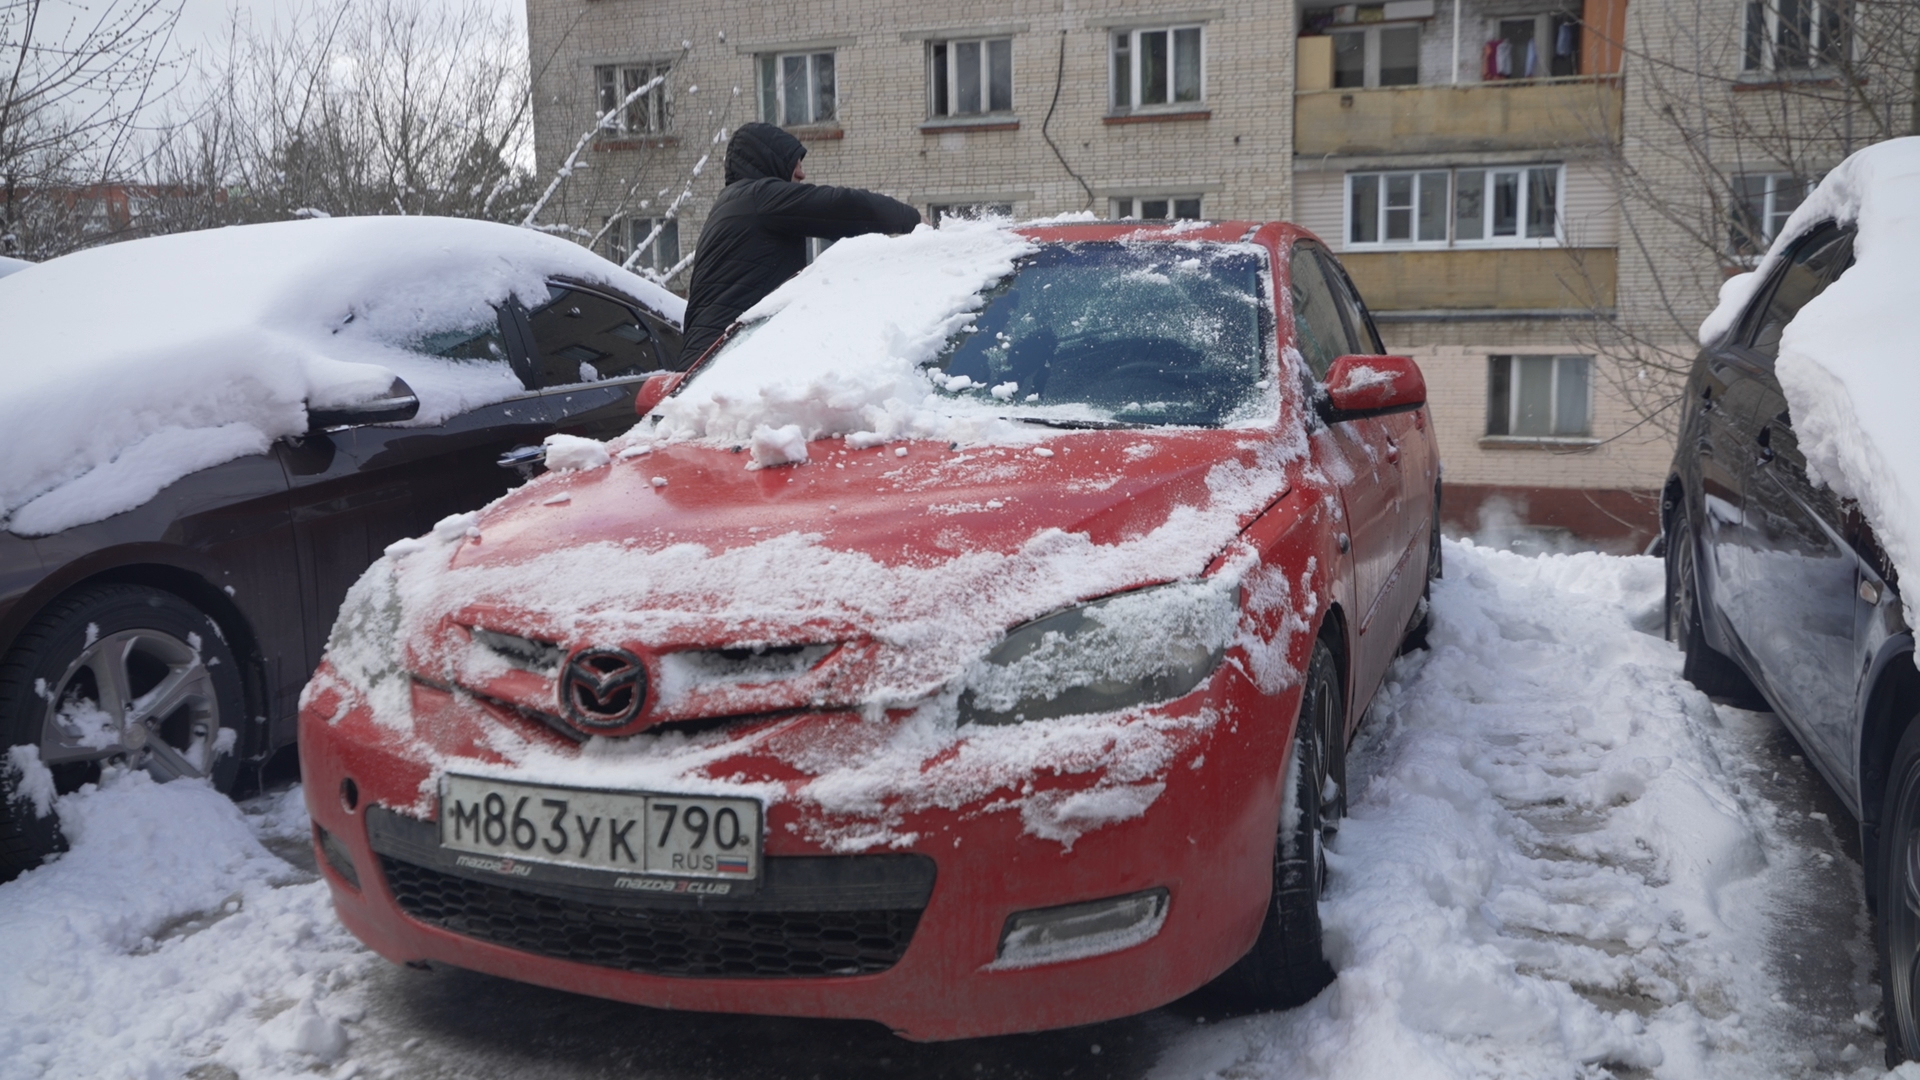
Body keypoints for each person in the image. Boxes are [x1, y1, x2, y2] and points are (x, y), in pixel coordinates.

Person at [678, 122, 923, 361]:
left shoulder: (733, 205)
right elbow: (843, 207)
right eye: (793, 163)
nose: (801, 174)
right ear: (769, 161)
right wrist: (913, 220)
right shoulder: (758, 198)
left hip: (706, 358)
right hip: (723, 359)